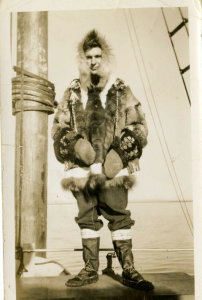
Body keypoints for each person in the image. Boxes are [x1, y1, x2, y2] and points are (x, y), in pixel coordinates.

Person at [51, 30, 154, 291]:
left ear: (105, 58)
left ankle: (128, 269)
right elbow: (58, 126)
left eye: (98, 56)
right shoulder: (73, 92)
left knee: (119, 218)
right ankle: (90, 269)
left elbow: (139, 125)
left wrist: (121, 155)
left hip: (113, 171)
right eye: (89, 57)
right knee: (87, 219)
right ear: (82, 60)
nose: (93, 61)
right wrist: (76, 145)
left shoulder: (120, 89)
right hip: (81, 171)